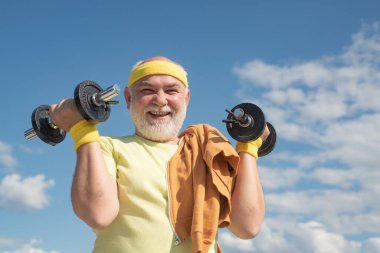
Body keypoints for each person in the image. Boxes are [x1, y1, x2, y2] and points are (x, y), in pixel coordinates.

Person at [49, 56, 268, 253]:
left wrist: (249, 145)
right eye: (147, 90)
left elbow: (247, 226)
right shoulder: (105, 147)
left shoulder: (208, 152)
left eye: (171, 91)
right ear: (127, 98)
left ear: (186, 98)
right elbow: (97, 214)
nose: (160, 100)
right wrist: (82, 131)